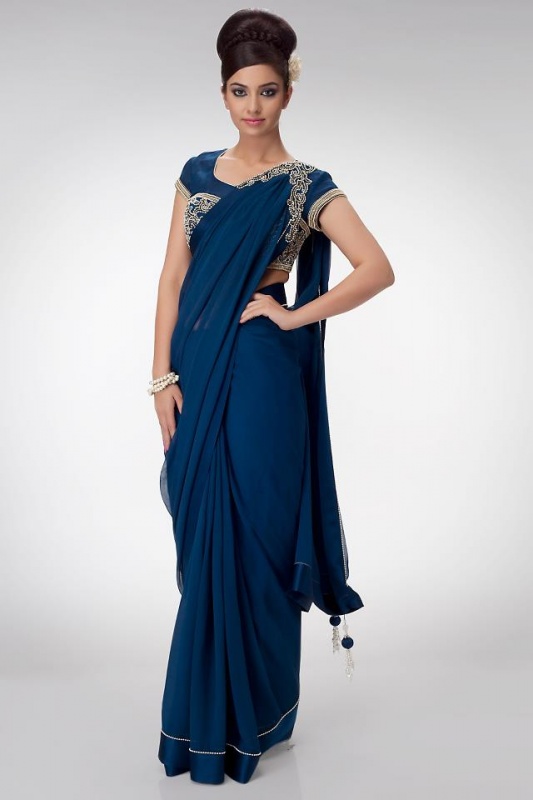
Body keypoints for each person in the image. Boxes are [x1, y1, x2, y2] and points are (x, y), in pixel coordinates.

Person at [149, 8, 395, 786]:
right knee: (205, 539)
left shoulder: (304, 186)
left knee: (256, 537)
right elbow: (172, 280)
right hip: (195, 370)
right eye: (238, 91)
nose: (251, 105)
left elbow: (375, 268)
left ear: (287, 91)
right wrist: (159, 377)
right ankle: (202, 721)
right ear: (222, 93)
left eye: (265, 90)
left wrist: (292, 314)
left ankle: (256, 717)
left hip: (260, 375)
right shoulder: (195, 173)